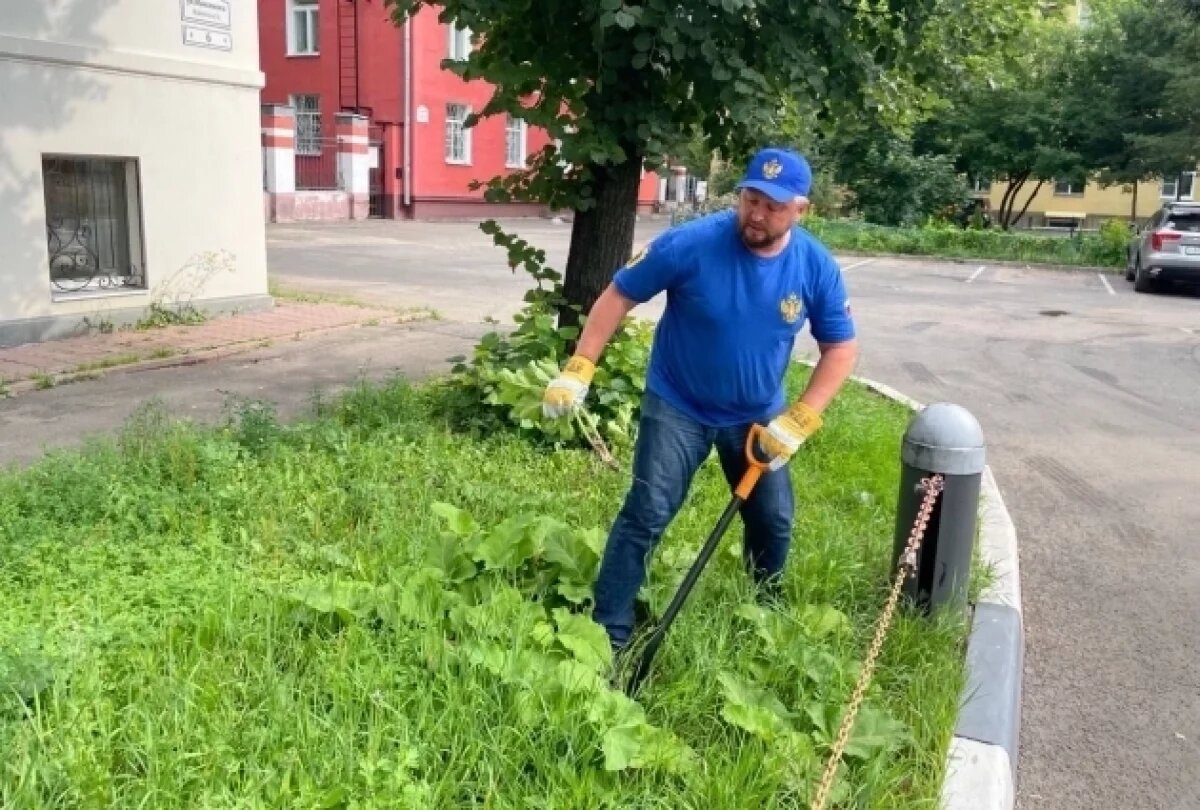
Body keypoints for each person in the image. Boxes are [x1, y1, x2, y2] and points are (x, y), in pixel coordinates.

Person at [541, 147, 859, 650]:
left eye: (772, 206)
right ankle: (610, 633)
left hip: (758, 414)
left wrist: (800, 419)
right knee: (647, 509)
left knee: (772, 518)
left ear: (800, 210)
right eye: (750, 199)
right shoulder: (691, 243)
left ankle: (764, 612)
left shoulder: (814, 266)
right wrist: (579, 369)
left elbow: (840, 347)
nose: (756, 214)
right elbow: (618, 295)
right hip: (678, 405)